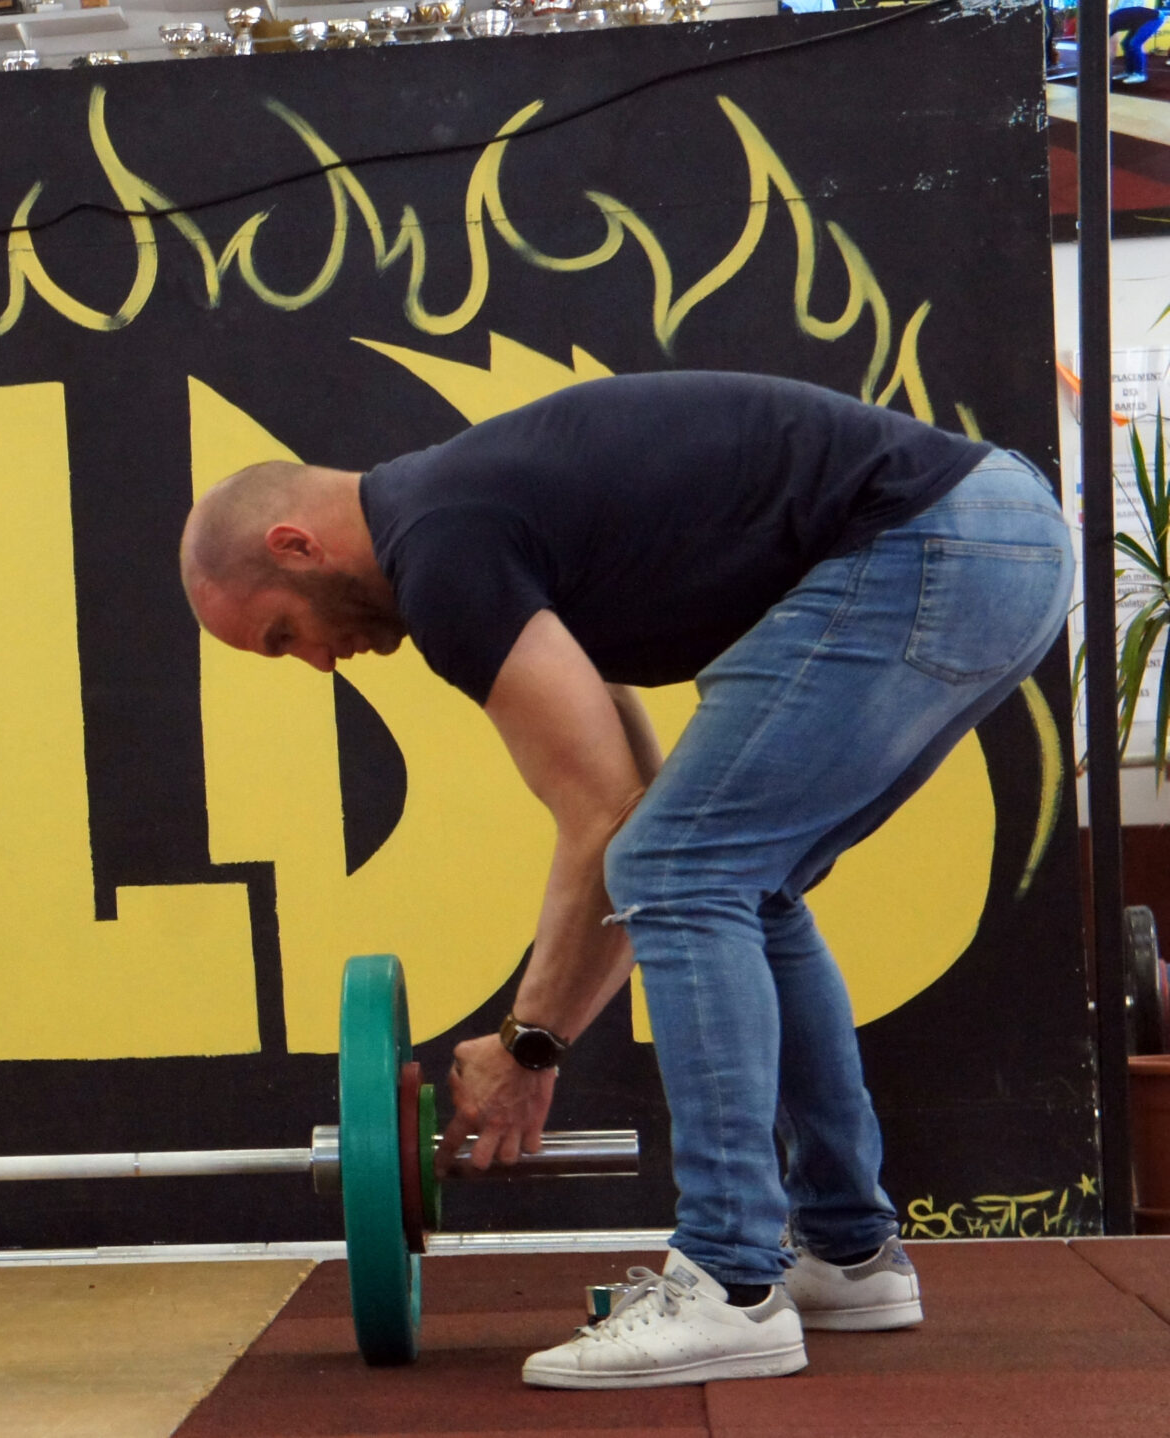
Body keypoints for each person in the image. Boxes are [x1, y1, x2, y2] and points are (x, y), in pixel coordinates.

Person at [179, 371, 1070, 1389]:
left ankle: (731, 1282)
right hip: (1000, 541)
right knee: (741, 881)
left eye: (282, 634)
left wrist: (529, 1043)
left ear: (296, 547)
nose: (315, 663)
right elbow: (635, 811)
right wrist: (540, 1036)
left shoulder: (443, 555)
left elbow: (618, 836)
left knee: (688, 868)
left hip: (931, 543)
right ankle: (850, 1251)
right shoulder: (471, 519)